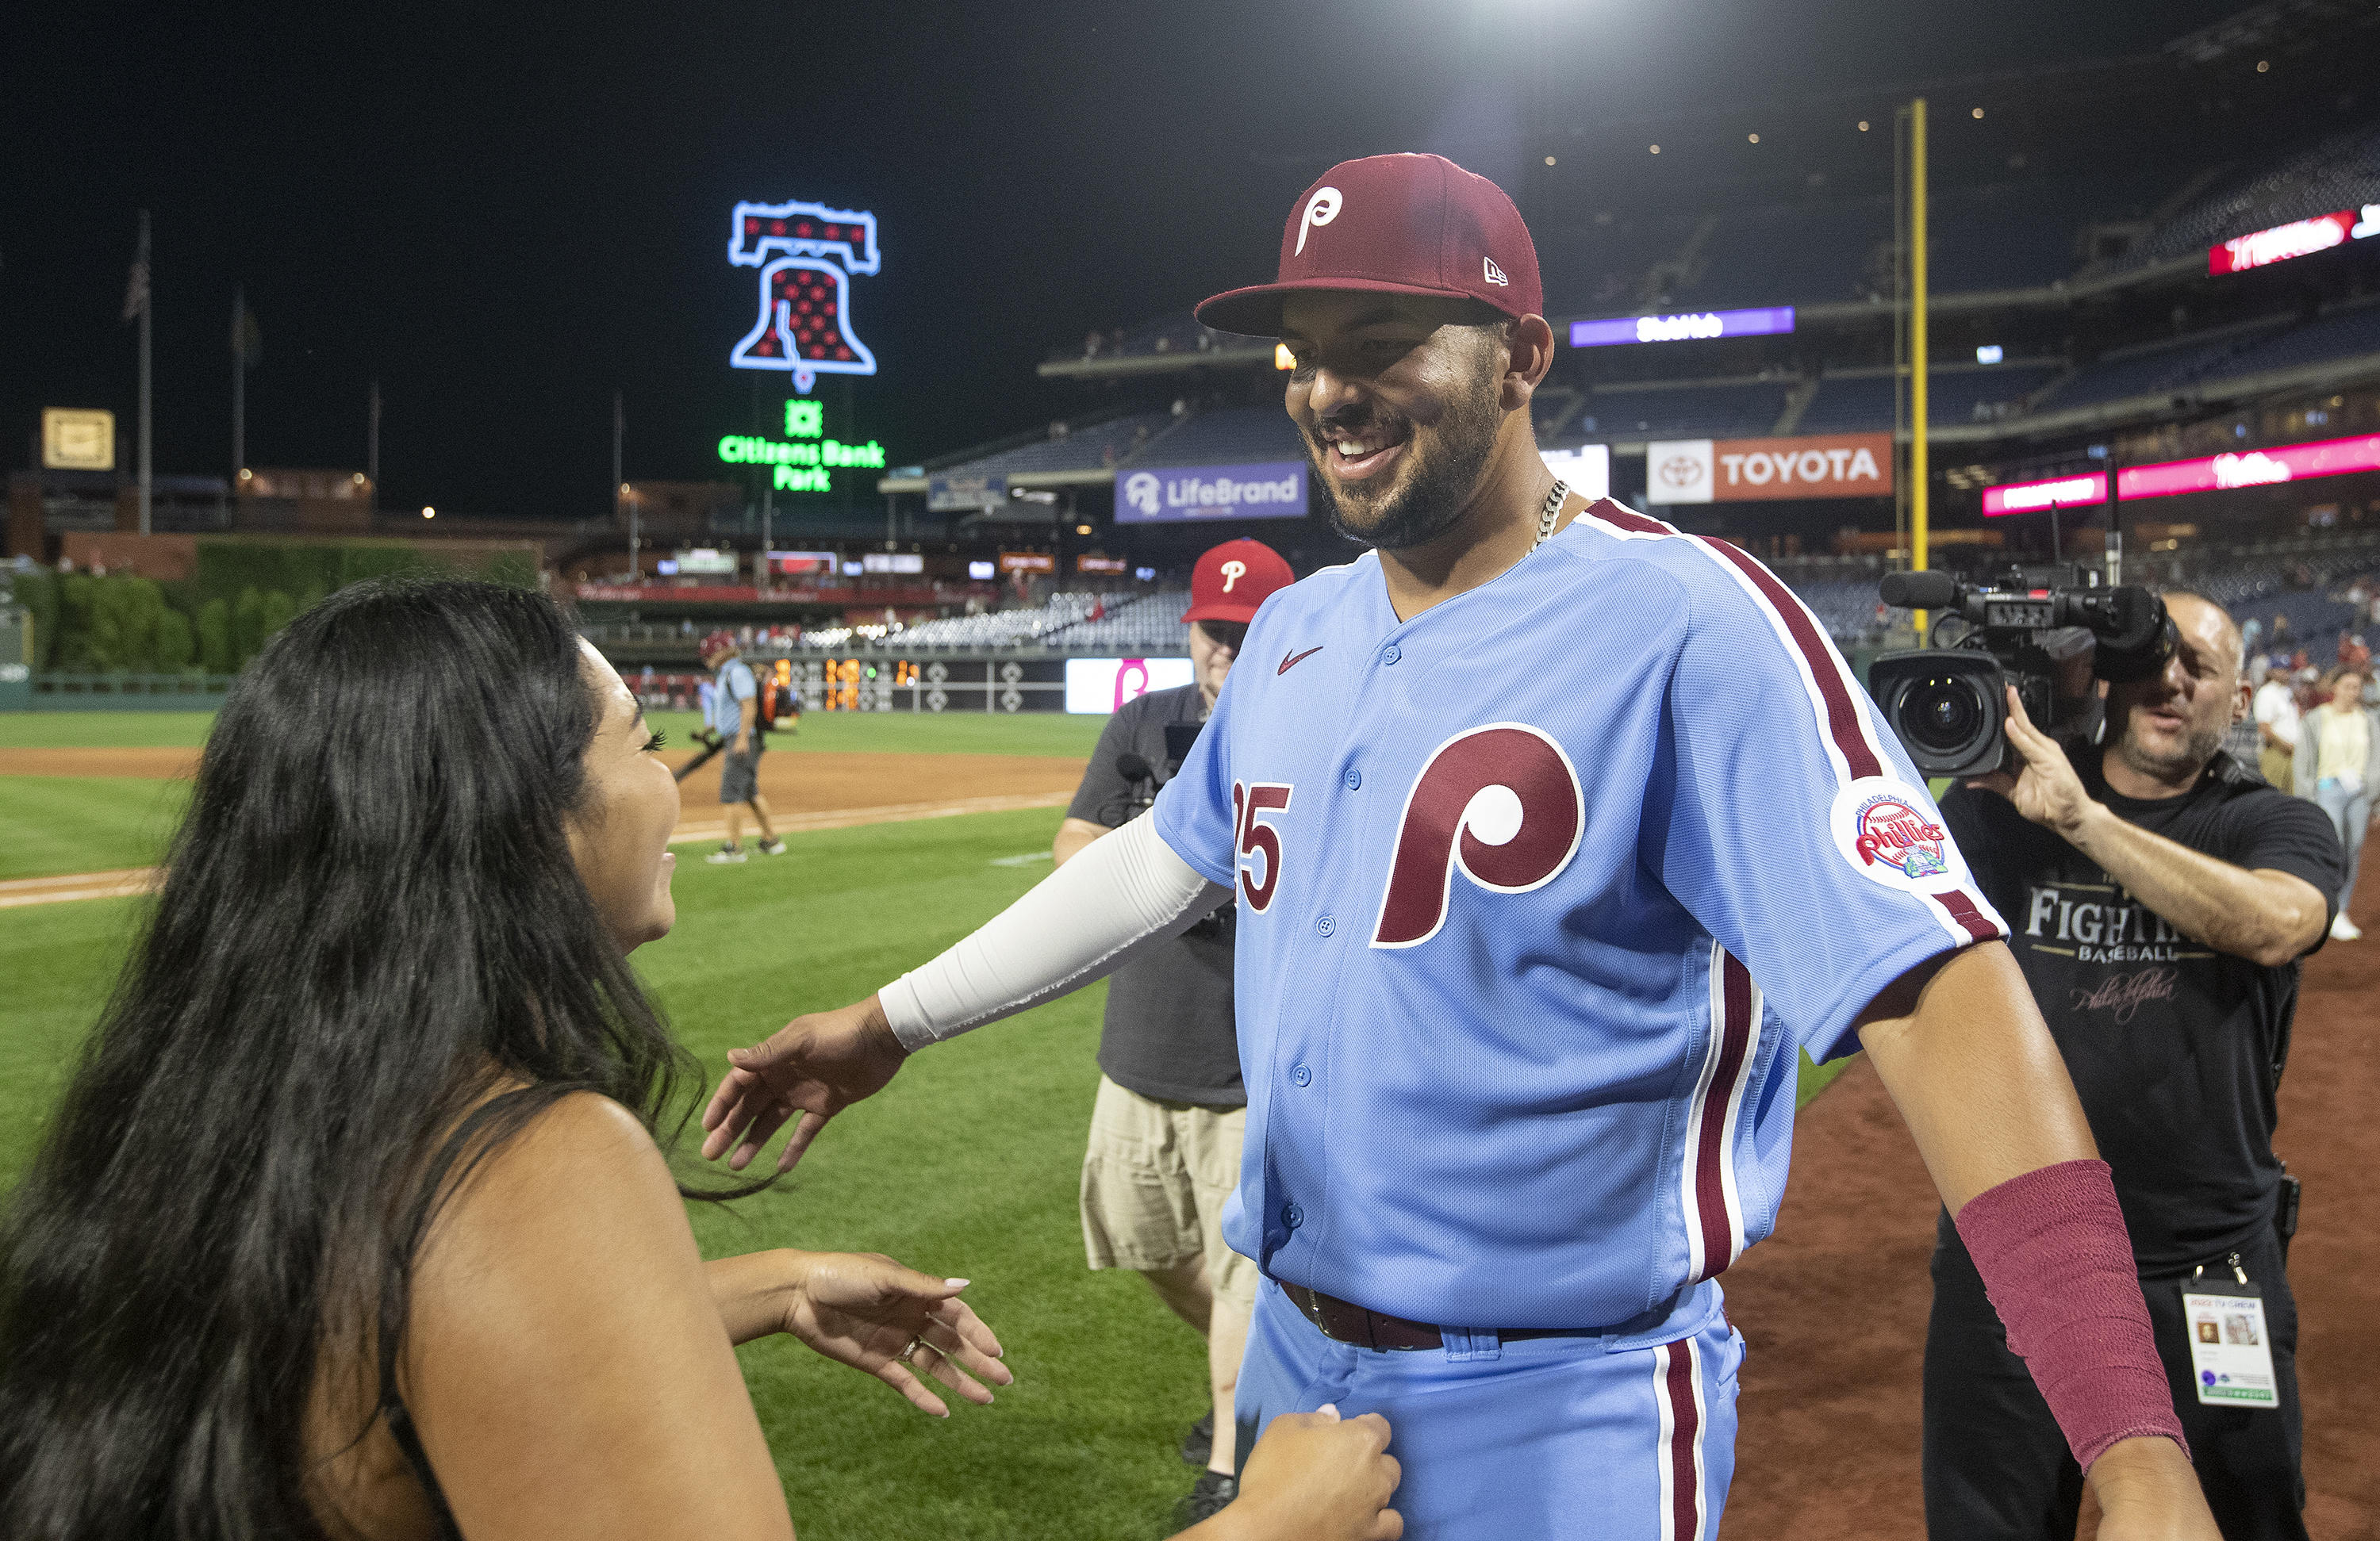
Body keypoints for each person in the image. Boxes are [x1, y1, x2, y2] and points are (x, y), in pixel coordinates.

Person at [700, 155, 2219, 1538]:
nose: (1328, 392)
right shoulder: (1295, 625)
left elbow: (1939, 994)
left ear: (1525, 361)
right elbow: (1170, 856)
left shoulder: (1692, 620)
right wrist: (891, 1022)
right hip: (1293, 1370)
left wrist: (2136, 1448)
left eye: (1386, 344)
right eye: (1305, 354)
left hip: (1564, 1406)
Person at [0, 579, 1404, 1541]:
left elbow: (385, 1340)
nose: (668, 778)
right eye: (635, 741)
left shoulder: (218, 1106)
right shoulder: (529, 1154)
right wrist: (1264, 1523)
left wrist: (749, 1283)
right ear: (522, 819)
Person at [1925, 592, 2344, 1540]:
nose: (2175, 677)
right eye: (2156, 656)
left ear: (2239, 699)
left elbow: (2275, 922)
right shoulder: (2006, 807)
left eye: (2202, 666)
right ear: (2109, 677)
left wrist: (2084, 821)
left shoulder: (2270, 822)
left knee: (2241, 1521)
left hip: (2206, 1264)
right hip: (2016, 1266)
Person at [1051, 537, 1295, 1527]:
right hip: (1138, 1049)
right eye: (1213, 631)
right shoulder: (1144, 721)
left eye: (1244, 632)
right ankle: (1246, 1368)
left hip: (1243, 1062)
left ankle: (1233, 1457)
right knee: (1142, 1243)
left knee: (1242, 1275)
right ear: (1189, 629)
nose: (1225, 650)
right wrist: (1175, 856)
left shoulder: (1305, 732)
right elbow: (1071, 845)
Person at [2294, 668, 2374, 942]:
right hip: (2327, 788)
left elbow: (2375, 758)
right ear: (2336, 687)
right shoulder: (2317, 719)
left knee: (2353, 849)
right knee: (2333, 846)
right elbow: (2303, 761)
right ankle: (2324, 905)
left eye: (2358, 687)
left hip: (2359, 793)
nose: (2355, 692)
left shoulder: (2368, 721)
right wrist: (2306, 796)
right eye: (2349, 686)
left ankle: (2341, 909)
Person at [700, 628, 785, 864]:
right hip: (740, 737)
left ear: (720, 652)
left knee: (730, 791)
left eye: (709, 654)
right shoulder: (728, 673)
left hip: (742, 740)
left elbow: (749, 706)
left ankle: (734, 848)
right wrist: (712, 729)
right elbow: (732, 709)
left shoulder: (736, 672)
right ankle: (771, 840)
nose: (707, 658)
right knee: (749, 791)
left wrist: (741, 738)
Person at [2253, 658, 2301, 792]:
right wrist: (2283, 745)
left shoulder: (2286, 692)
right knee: (2273, 795)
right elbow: (2264, 728)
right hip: (2276, 752)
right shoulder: (2266, 692)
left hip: (2291, 753)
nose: (2285, 673)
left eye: (2287, 670)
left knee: (2291, 798)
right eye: (2281, 670)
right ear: (2272, 672)